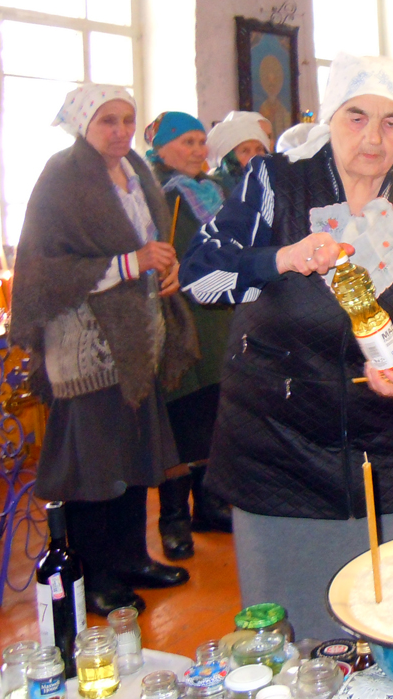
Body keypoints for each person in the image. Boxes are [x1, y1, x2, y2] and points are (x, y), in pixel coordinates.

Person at [180, 53, 393, 640]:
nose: (373, 138)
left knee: (387, 619)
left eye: (390, 122)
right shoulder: (275, 182)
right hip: (276, 443)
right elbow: (200, 276)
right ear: (330, 117)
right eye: (357, 117)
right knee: (291, 630)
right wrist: (281, 258)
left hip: (383, 449)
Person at [11, 85, 197, 616]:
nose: (120, 131)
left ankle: (131, 557)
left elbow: (150, 244)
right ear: (82, 125)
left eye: (127, 119)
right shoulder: (63, 176)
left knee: (133, 453)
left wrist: (166, 269)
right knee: (93, 466)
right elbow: (45, 269)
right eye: (107, 121)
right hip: (86, 344)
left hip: (135, 341)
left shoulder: (135, 170)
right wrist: (131, 264)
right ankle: (92, 575)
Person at [144, 112, 235, 560]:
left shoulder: (213, 192)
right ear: (161, 148)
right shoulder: (152, 194)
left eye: (202, 141)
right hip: (178, 320)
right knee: (178, 420)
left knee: (212, 415)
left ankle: (210, 504)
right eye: (187, 142)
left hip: (216, 317)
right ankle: (174, 518)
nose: (199, 150)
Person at [206, 110, 272, 197]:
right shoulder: (213, 189)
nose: (254, 156)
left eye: (259, 149)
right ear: (231, 158)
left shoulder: (272, 182)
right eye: (245, 151)